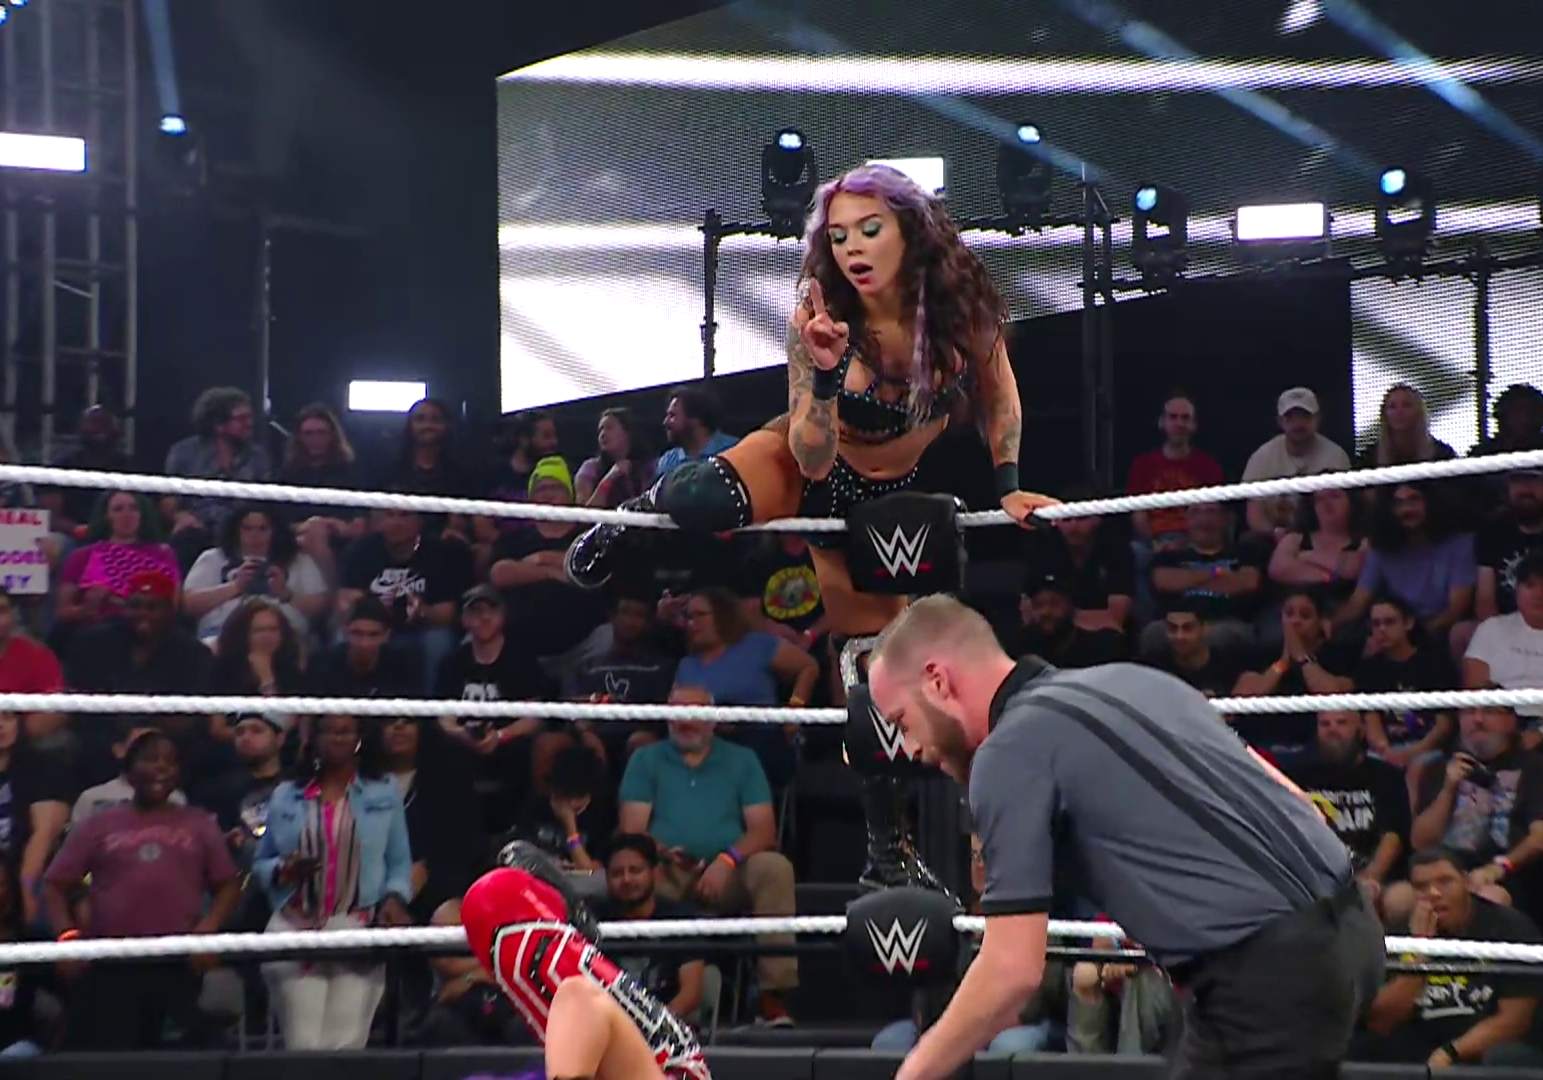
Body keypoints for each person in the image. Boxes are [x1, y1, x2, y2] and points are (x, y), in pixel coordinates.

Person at [565, 162, 1055, 892]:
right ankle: (635, 515)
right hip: (810, 458)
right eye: (839, 235)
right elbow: (812, 451)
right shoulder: (820, 309)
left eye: (870, 229)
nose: (852, 248)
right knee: (702, 500)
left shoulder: (962, 306)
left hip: (878, 498)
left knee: (877, 676)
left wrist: (1009, 485)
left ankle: (886, 851)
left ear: (910, 230)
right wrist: (826, 373)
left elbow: (1000, 394)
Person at [863, 594, 1384, 1080]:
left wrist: (911, 1074)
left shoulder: (1007, 754)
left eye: (902, 722)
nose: (908, 748)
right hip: (1355, 927)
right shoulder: (1137, 679)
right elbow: (1297, 804)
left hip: (1269, 975)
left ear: (938, 682)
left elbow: (1011, 971)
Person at [459, 841, 710, 1079]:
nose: (627, 879)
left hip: (662, 1053)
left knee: (575, 994)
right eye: (619, 872)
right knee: (493, 900)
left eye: (635, 870)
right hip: (660, 1053)